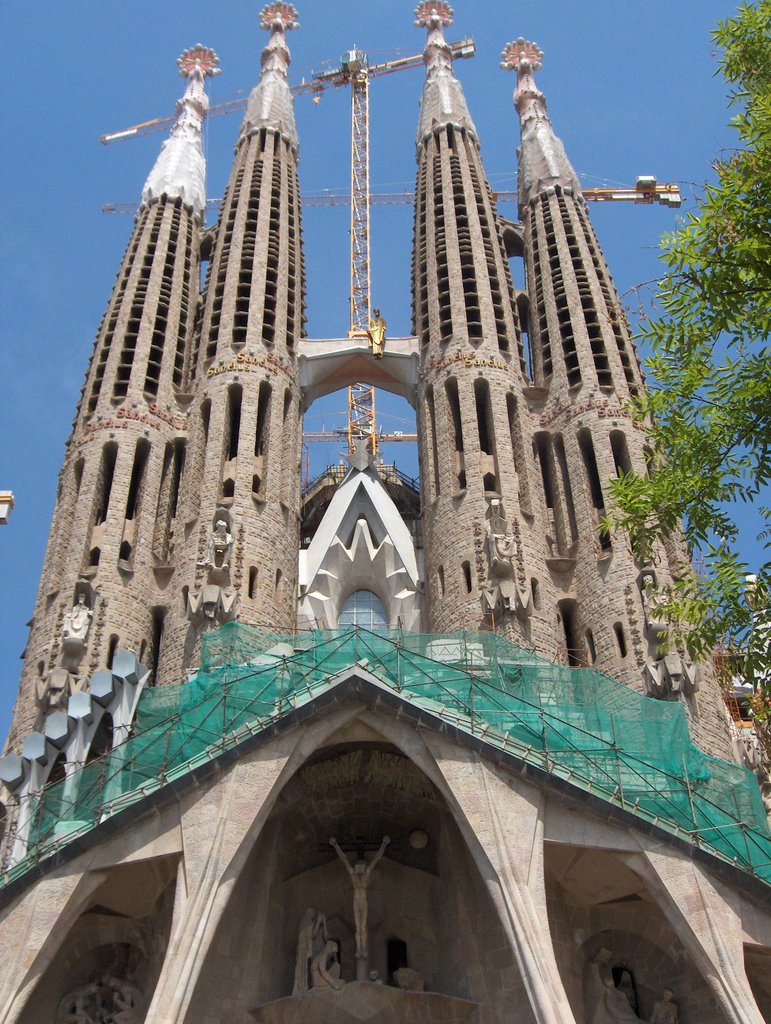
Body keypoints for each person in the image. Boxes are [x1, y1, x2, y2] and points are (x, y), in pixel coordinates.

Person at [330, 835, 390, 959]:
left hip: (363, 903)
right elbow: (344, 859)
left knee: (363, 928)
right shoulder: (353, 876)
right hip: (356, 903)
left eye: (361, 866)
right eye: (358, 866)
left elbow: (376, 859)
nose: (359, 868)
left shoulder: (366, 876)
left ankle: (363, 949)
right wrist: (335, 845)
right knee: (359, 928)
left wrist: (384, 845)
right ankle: (359, 949)